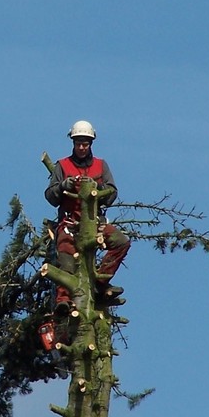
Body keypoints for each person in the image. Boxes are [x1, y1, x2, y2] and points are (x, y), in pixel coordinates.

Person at [44, 120, 131, 313]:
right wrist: (63, 186)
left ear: (91, 143)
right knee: (66, 255)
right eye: (78, 143)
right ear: (73, 143)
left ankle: (100, 282)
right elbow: (50, 196)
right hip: (70, 223)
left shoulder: (101, 166)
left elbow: (112, 193)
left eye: (85, 143)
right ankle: (64, 300)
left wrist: (98, 188)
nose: (82, 147)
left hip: (94, 223)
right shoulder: (63, 166)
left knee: (121, 242)